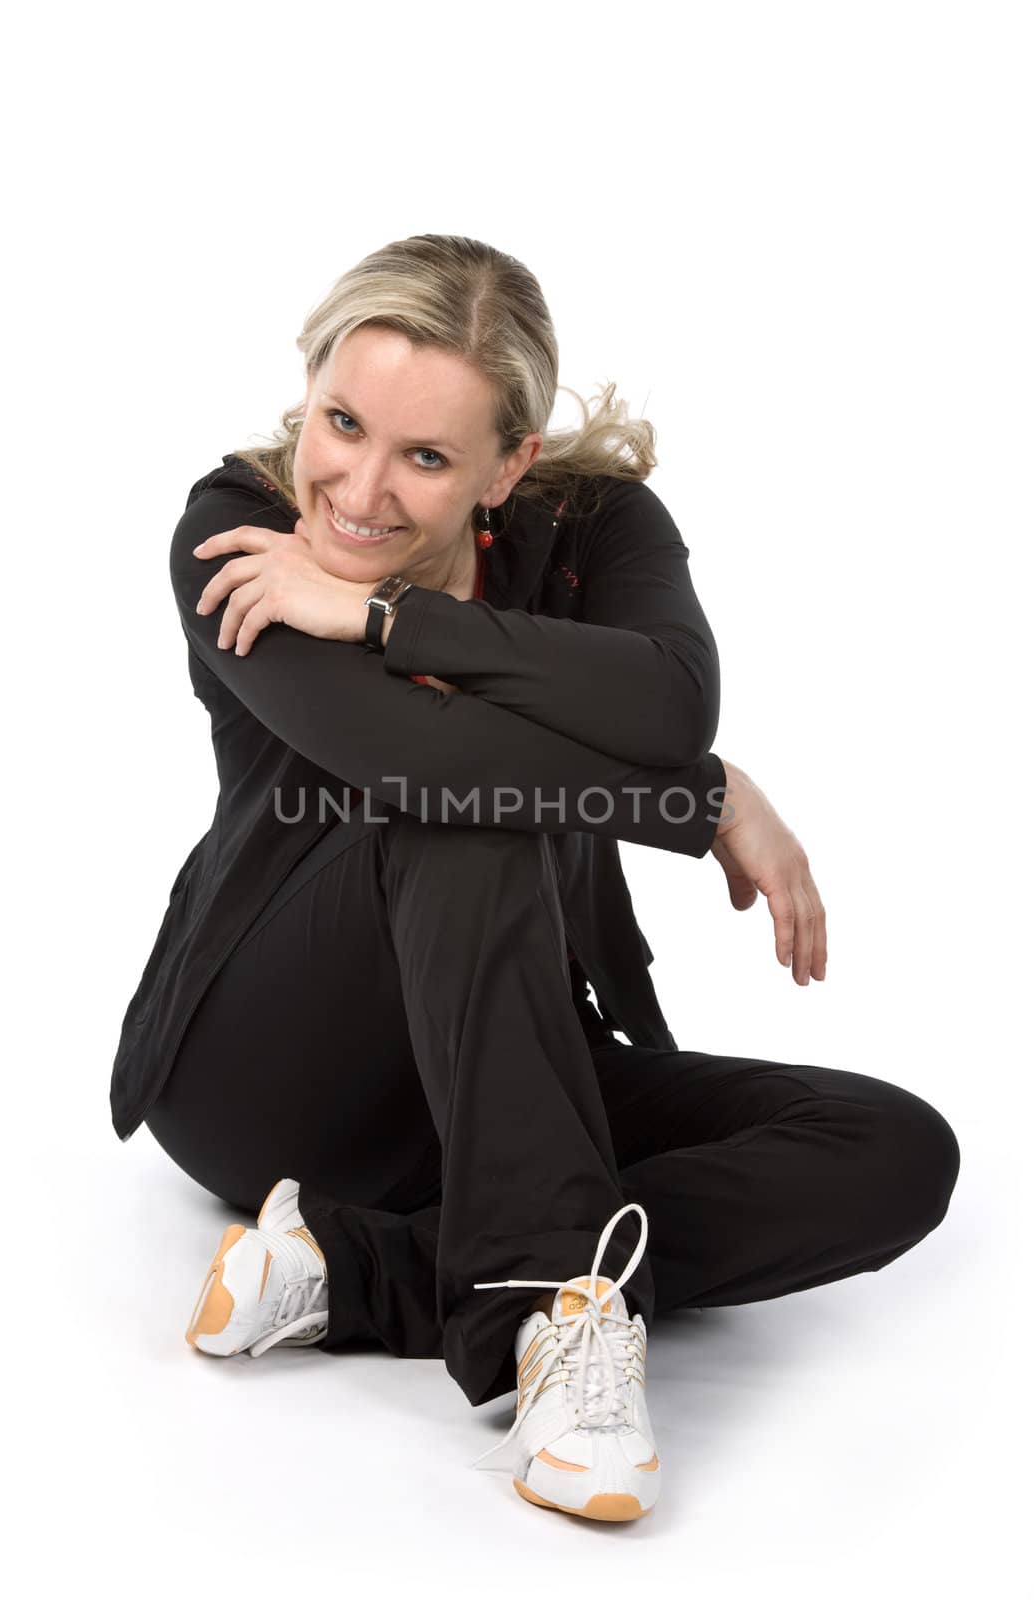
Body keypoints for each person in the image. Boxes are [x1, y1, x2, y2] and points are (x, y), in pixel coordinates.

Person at [111, 233, 961, 1524]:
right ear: (312, 385)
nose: (357, 488)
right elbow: (425, 757)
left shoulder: (597, 528)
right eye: (341, 422)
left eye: (428, 457)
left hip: (501, 1052)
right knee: (467, 810)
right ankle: (551, 1328)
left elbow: (675, 697)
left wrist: (395, 619)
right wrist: (703, 800)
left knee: (894, 1151)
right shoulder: (236, 534)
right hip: (266, 1062)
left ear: (511, 463)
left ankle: (371, 1270)